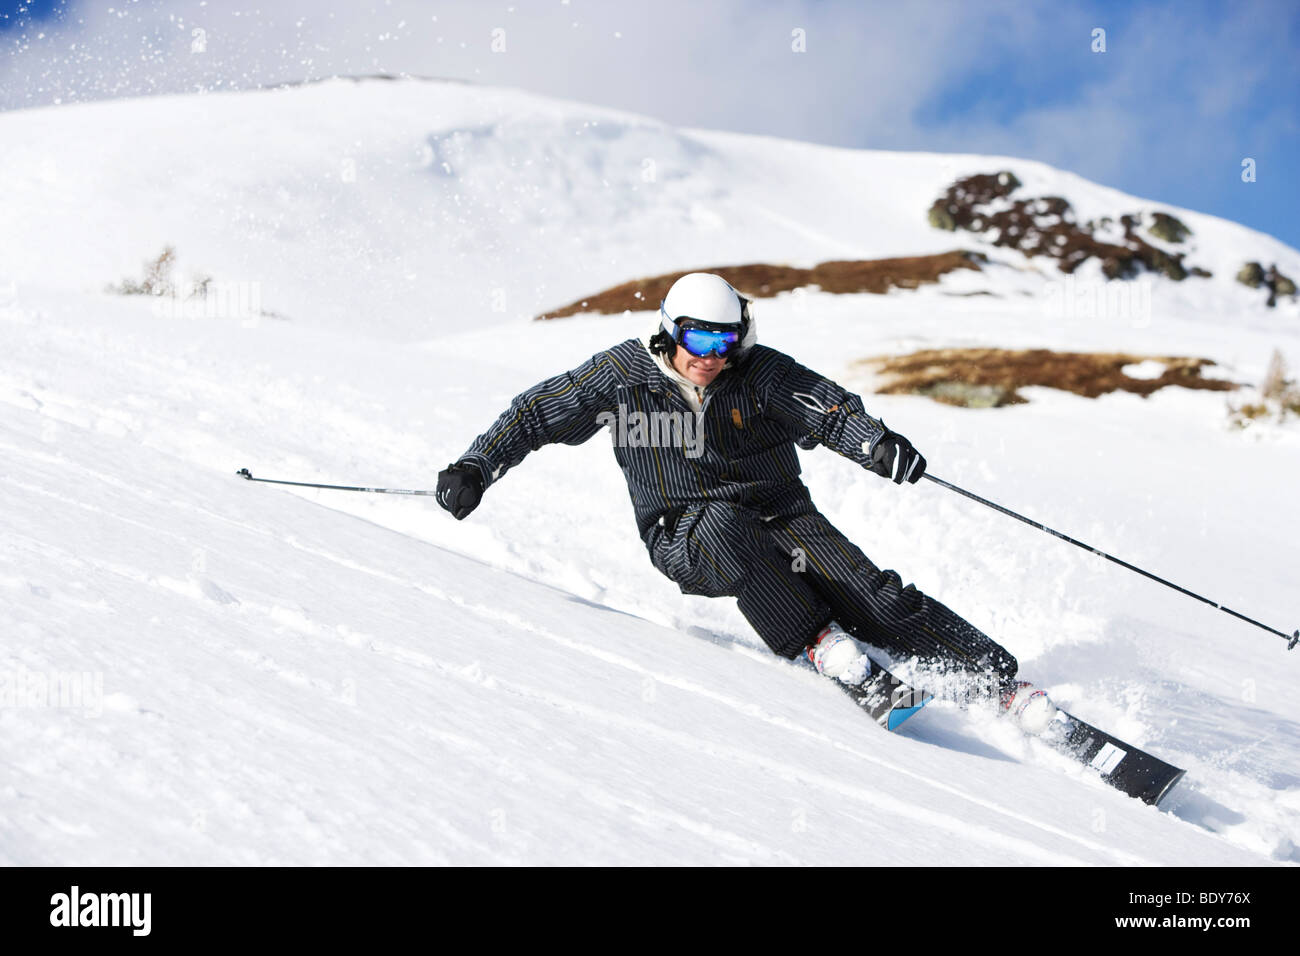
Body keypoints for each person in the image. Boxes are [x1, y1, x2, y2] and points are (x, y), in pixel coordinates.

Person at [437, 273, 1055, 731]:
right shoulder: (621, 377)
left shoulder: (757, 374)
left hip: (783, 515)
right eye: (696, 338)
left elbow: (826, 405)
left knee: (877, 598)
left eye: (723, 341)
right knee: (727, 529)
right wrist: (476, 465)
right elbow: (538, 413)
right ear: (669, 329)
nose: (709, 356)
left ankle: (1001, 685)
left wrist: (877, 444)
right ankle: (819, 641)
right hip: (687, 532)